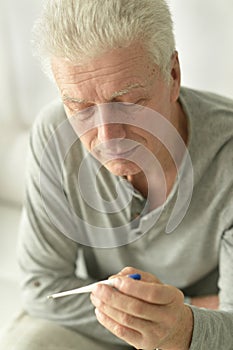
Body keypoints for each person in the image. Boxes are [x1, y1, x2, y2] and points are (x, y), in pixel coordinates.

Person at [1, 0, 233, 349]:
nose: (108, 139)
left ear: (173, 75)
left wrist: (182, 326)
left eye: (127, 103)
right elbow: (41, 288)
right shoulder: (54, 134)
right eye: (80, 108)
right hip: (113, 318)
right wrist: (173, 313)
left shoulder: (227, 152)